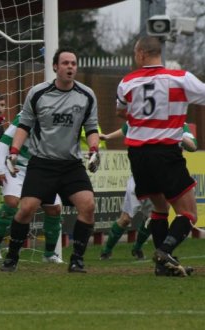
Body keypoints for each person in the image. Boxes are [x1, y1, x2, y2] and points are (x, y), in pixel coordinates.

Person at [2, 47, 101, 273]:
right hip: (42, 163)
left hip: (71, 165)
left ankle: (76, 260)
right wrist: (14, 151)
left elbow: (92, 127)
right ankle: (12, 257)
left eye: (73, 63)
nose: (70, 67)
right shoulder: (37, 93)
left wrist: (94, 150)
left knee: (88, 205)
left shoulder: (87, 95)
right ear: (55, 67)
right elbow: (24, 125)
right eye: (65, 63)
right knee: (26, 208)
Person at [116, 36, 205, 277]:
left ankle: (161, 266)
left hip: (138, 155)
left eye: (135, 53)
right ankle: (165, 251)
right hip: (165, 152)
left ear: (142, 54)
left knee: (160, 207)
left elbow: (121, 111)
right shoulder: (180, 78)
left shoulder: (127, 82)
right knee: (188, 213)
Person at [99, 123, 198, 262]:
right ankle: (107, 251)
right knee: (128, 218)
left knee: (157, 213)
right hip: (155, 171)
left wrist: (178, 136)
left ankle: (143, 250)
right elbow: (126, 126)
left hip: (146, 169)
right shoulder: (162, 119)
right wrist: (108, 137)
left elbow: (193, 145)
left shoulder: (178, 124)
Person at [0, 112, 63, 264]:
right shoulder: (26, 115)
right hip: (16, 167)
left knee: (54, 208)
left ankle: (49, 254)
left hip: (40, 169)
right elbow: (5, 141)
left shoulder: (59, 118)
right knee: (11, 202)